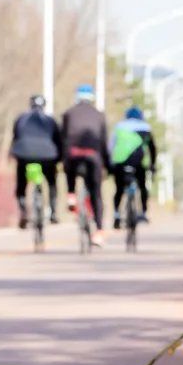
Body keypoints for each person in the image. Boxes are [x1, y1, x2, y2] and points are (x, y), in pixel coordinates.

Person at [61, 84, 110, 245]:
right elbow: (104, 143)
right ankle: (99, 231)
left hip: (73, 154)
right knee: (96, 193)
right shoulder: (99, 115)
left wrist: (62, 158)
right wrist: (107, 165)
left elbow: (63, 139)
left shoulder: (68, 113)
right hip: (93, 156)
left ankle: (71, 196)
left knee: (69, 167)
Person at [9, 95, 62, 227]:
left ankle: (23, 211)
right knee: (51, 183)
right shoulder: (50, 120)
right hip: (47, 156)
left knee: (21, 184)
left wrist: (14, 154)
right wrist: (59, 159)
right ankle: (53, 212)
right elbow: (59, 142)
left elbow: (16, 137)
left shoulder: (21, 118)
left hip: (24, 155)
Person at [110, 105, 157, 228]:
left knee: (119, 189)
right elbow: (152, 149)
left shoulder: (119, 127)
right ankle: (143, 212)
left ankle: (116, 215)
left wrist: (110, 164)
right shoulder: (145, 128)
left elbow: (111, 147)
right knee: (142, 187)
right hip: (138, 164)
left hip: (119, 164)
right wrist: (152, 165)